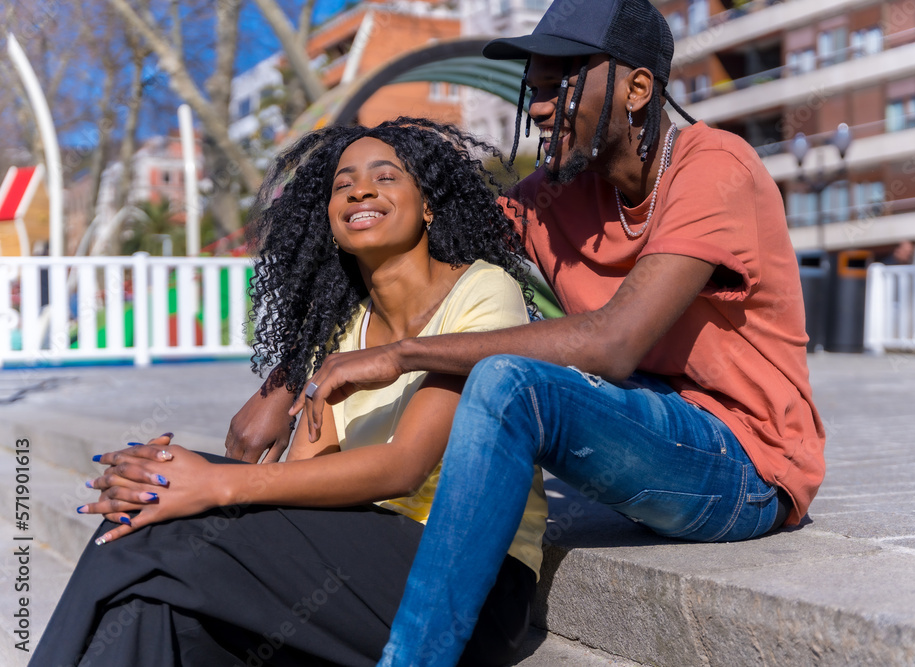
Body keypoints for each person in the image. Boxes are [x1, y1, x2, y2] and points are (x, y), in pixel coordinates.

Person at [229, 1, 827, 665]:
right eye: (534, 88)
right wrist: (289, 375)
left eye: (561, 83)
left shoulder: (715, 168)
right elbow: (413, 237)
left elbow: (614, 343)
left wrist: (397, 355)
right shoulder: (556, 194)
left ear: (637, 88)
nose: (540, 107)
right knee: (498, 367)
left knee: (507, 380)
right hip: (651, 429)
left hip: (747, 468)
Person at [28, 119, 548, 667]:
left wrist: (211, 483)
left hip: (469, 580)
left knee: (153, 527)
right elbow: (301, 474)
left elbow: (404, 468)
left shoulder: (483, 291)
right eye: (342, 184)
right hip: (366, 564)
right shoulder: (344, 333)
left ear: (428, 205)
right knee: (157, 610)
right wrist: (171, 479)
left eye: (385, 177)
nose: (360, 191)